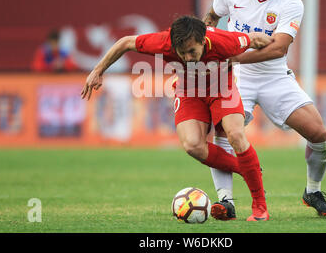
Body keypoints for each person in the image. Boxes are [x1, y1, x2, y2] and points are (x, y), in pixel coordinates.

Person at [81, 15, 273, 221]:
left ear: (203, 40)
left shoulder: (226, 41)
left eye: (192, 52)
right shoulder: (165, 43)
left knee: (235, 134)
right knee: (192, 145)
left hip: (221, 89)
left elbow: (254, 39)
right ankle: (246, 168)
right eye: (182, 54)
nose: (188, 58)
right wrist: (98, 70)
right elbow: (125, 42)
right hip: (189, 92)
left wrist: (276, 42)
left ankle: (260, 207)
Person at [203, 0, 326, 220]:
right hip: (238, 79)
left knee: (319, 136)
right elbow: (211, 17)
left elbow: (278, 48)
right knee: (224, 133)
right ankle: (225, 201)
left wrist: (232, 57)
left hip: (275, 77)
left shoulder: (290, 2)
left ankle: (313, 191)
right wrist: (210, 40)